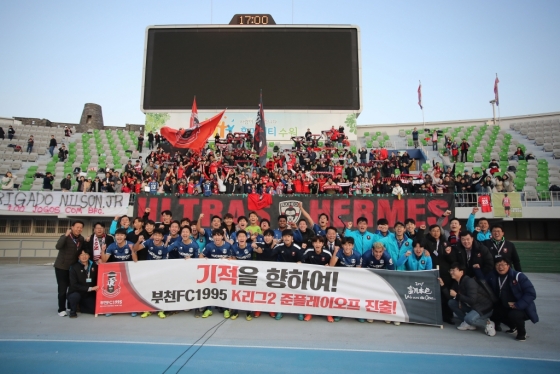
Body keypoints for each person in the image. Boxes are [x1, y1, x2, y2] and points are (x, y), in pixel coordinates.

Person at [486, 258, 538, 341]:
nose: (500, 267)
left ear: (508, 265)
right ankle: (513, 327)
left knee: (514, 315)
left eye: (503, 264)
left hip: (522, 307)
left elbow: (531, 293)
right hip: (505, 305)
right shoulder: (493, 276)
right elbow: (483, 282)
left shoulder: (518, 276)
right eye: (498, 265)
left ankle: (522, 333)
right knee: (495, 314)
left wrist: (518, 305)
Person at [444, 262, 495, 332]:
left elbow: (472, 300)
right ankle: (468, 323)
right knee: (451, 302)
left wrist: (457, 295)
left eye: (453, 270)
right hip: (472, 306)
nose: (451, 272)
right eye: (450, 270)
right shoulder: (456, 282)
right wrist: (442, 285)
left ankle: (488, 323)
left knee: (469, 319)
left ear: (461, 272)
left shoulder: (469, 281)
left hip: (483, 307)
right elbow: (450, 297)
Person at [54, 221, 85, 317]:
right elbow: (58, 246)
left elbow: (81, 251)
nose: (79, 229)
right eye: (77, 227)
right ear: (72, 227)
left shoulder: (81, 238)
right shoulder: (66, 236)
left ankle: (70, 306)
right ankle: (61, 309)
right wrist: (65, 236)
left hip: (73, 268)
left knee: (72, 288)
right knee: (62, 289)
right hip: (62, 267)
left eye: (80, 227)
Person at [66, 249, 99, 318]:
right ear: (78, 257)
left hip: (88, 294)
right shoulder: (74, 267)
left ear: (89, 255)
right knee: (75, 296)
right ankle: (73, 311)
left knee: (95, 310)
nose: (84, 256)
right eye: (81, 255)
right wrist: (90, 288)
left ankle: (80, 306)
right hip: (76, 291)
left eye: (86, 254)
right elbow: (74, 284)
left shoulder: (94, 265)